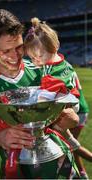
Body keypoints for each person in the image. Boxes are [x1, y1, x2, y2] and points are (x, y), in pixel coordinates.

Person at [0, 9, 80, 179]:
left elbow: (69, 109)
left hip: (61, 161)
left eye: (19, 47)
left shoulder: (41, 67)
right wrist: (0, 138)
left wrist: (67, 117)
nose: (15, 56)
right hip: (19, 170)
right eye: (6, 51)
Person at [24, 17, 91, 179]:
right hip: (75, 105)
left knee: (52, 138)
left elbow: (45, 99)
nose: (36, 61)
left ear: (55, 47)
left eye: (39, 56)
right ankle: (76, 166)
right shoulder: (63, 62)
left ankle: (70, 167)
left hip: (69, 108)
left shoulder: (49, 72)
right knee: (64, 139)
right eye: (32, 58)